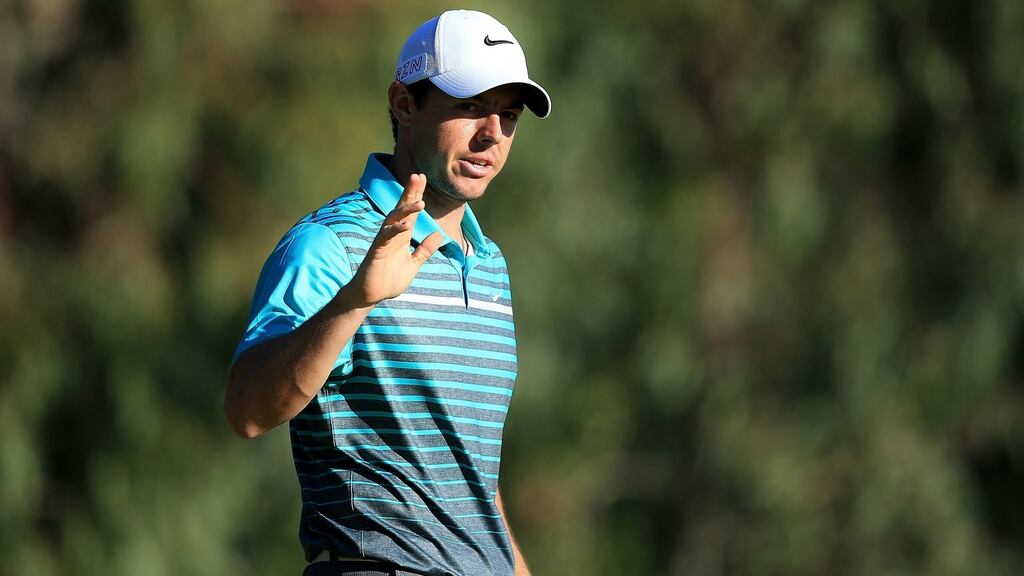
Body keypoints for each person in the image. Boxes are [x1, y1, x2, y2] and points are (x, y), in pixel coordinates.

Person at [223, 9, 550, 576]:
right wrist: (356, 299)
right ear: (404, 104)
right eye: (470, 106)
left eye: (508, 115)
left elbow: (469, 477)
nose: (492, 134)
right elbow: (248, 411)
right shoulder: (331, 245)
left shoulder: (490, 265)